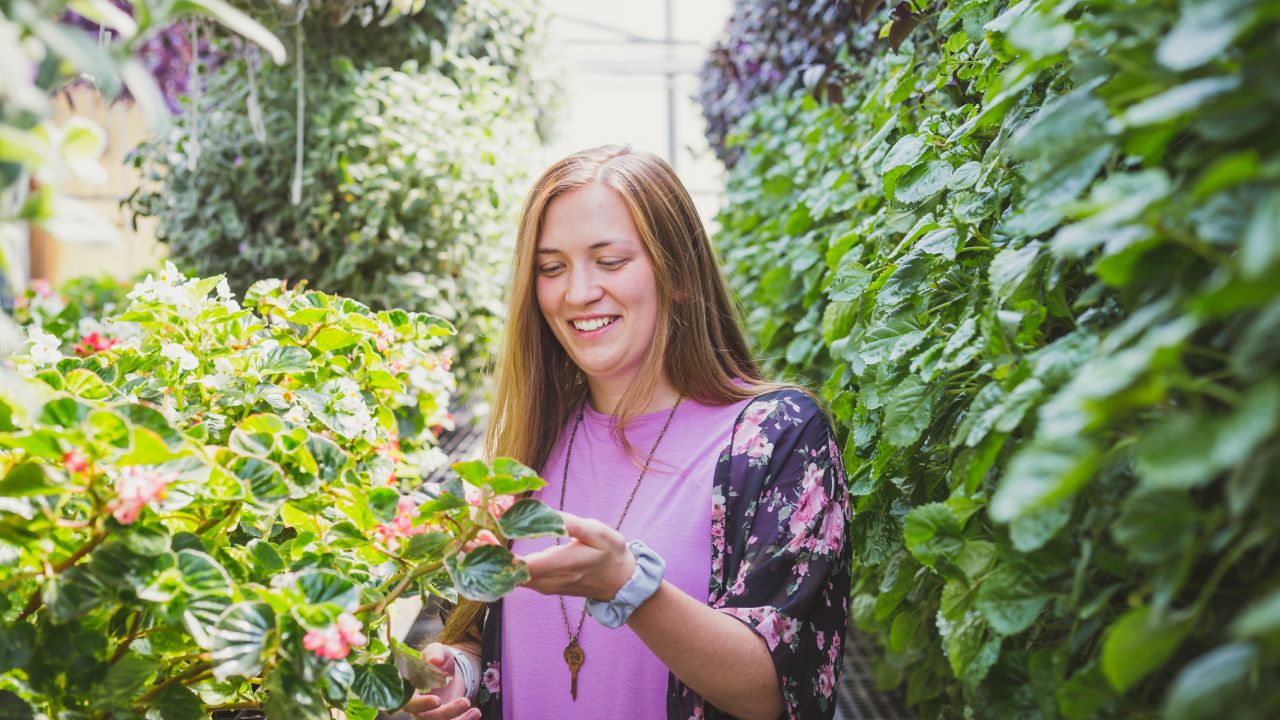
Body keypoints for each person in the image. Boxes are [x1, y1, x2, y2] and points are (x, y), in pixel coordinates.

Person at [401, 145, 851, 720]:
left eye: (610, 261)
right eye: (551, 267)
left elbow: (780, 691)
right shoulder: (524, 445)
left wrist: (629, 588)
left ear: (680, 275)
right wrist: (454, 672)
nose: (578, 292)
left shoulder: (777, 438)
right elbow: (477, 630)